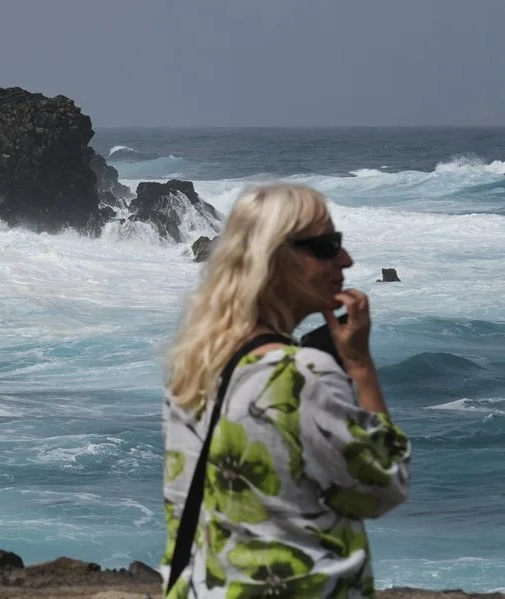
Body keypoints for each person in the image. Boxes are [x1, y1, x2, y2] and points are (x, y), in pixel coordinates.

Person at [161, 183, 410, 598]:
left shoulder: (194, 370)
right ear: (276, 261)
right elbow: (385, 485)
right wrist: (360, 366)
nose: (346, 260)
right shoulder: (301, 375)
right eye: (327, 247)